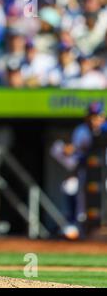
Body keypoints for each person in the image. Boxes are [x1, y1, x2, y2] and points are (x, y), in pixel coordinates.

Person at [51, 101, 107, 239]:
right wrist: (70, 152)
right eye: (92, 116)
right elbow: (77, 156)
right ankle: (73, 224)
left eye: (98, 116)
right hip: (86, 172)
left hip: (104, 173)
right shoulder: (81, 130)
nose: (95, 120)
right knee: (70, 186)